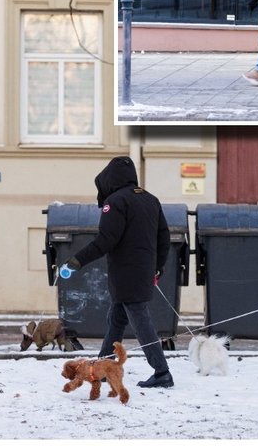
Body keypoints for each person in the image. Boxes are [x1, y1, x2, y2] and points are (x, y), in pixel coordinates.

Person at [59, 156, 174, 390]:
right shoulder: (150, 199)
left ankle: (162, 372)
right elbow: (164, 237)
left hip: (125, 274)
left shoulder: (116, 201)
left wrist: (75, 262)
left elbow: (105, 241)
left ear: (110, 179)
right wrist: (158, 267)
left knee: (141, 322)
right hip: (143, 271)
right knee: (116, 320)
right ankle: (101, 368)